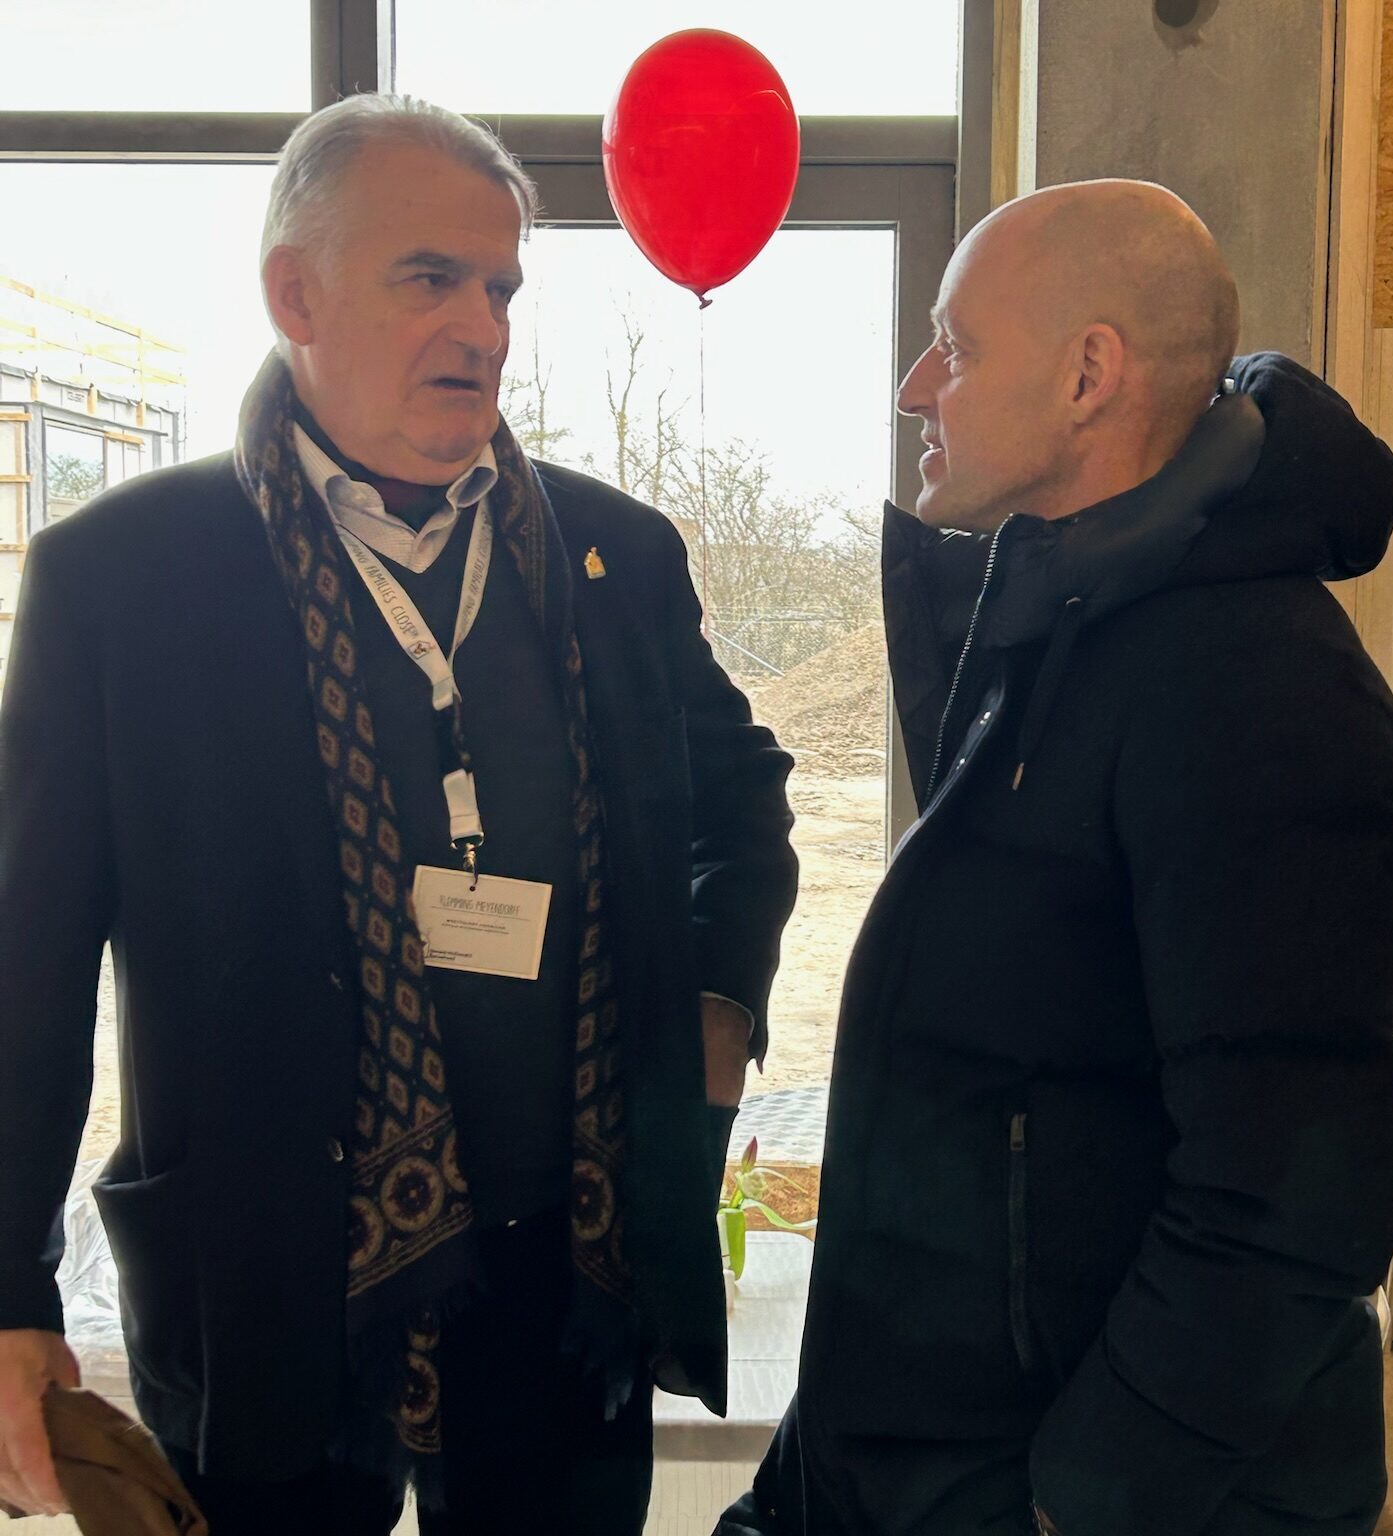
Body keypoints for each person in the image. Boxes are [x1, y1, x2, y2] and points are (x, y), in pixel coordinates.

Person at [0, 94, 797, 1536]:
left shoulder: (613, 555)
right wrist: (7, 1289)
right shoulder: (122, 581)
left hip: (566, 1278)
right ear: (294, 295)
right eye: (430, 278)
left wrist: (717, 1011)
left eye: (500, 288)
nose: (481, 327)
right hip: (266, 1282)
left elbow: (741, 801)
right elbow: (27, 970)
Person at [719, 181, 1393, 1536]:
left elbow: (1286, 1208)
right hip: (931, 1450)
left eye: (955, 346)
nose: (916, 389)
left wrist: (1081, 1508)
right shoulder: (1067, 634)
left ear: (1089, 374)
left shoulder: (1259, 695)